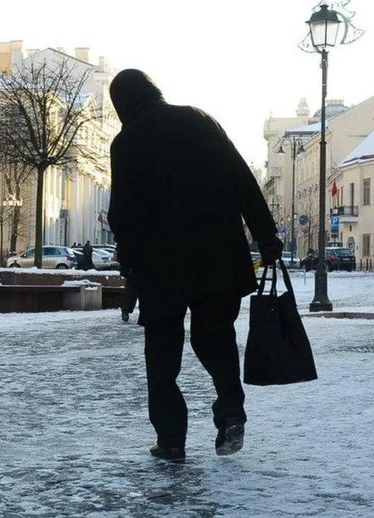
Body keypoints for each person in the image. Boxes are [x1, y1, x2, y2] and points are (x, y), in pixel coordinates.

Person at [107, 68, 281, 463]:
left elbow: (123, 215)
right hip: (219, 257)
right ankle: (231, 410)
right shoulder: (201, 120)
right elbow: (243, 181)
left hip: (161, 266)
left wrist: (130, 269)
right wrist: (266, 236)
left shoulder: (127, 142)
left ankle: (171, 440)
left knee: (162, 355)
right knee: (215, 337)